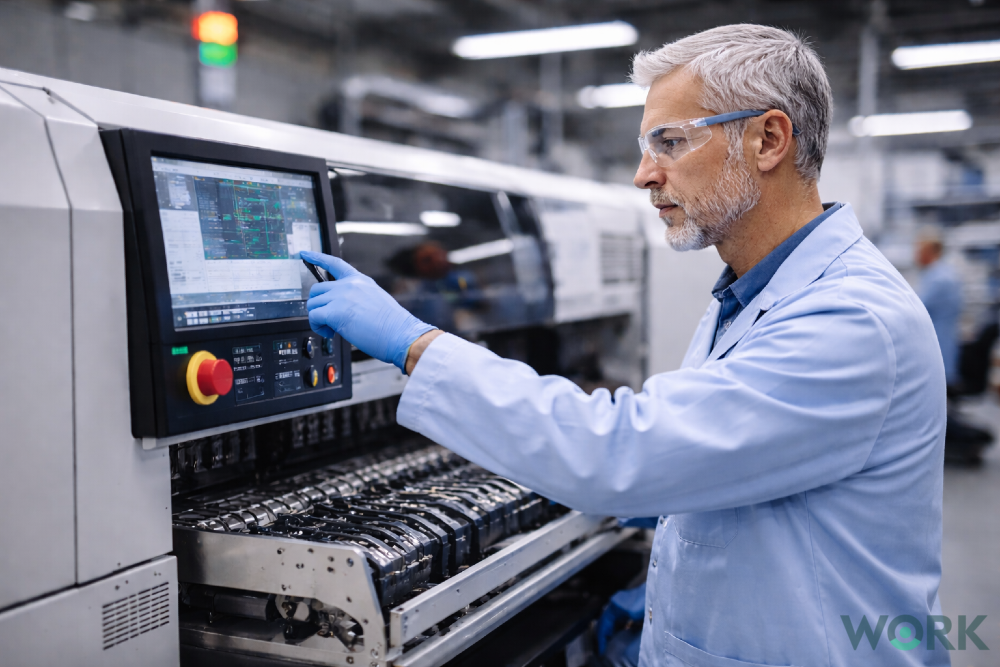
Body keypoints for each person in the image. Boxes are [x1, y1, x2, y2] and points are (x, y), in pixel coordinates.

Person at [302, 24, 949, 667]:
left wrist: (415, 344)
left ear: (768, 139)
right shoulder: (752, 294)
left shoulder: (850, 318)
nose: (644, 174)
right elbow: (728, 458)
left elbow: (621, 451)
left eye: (669, 142)